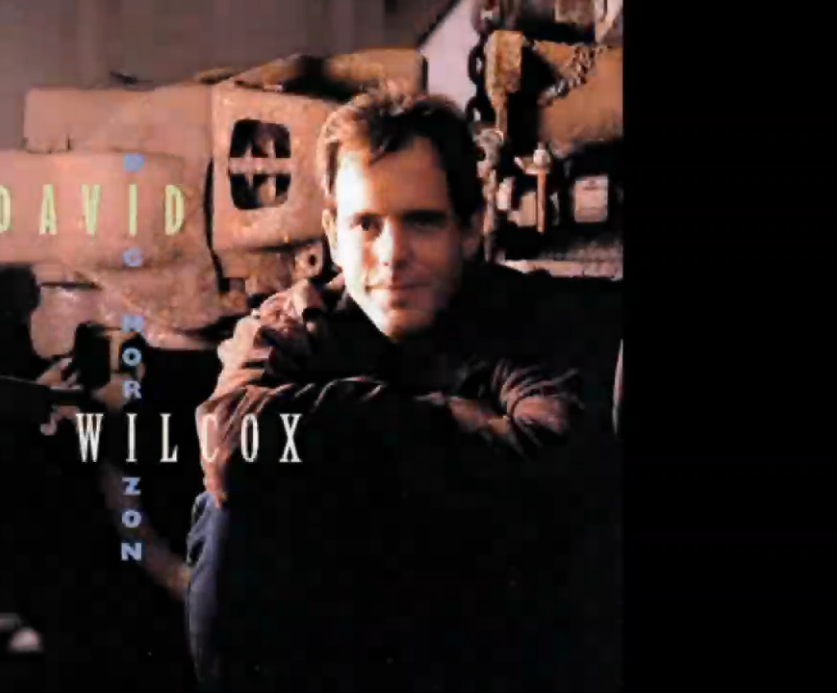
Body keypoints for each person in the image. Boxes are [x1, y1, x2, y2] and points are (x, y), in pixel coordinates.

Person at [184, 87, 613, 692]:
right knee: (228, 515)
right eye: (366, 224)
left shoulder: (524, 317)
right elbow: (229, 442)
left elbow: (553, 456)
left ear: (471, 228)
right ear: (333, 235)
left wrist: (335, 444)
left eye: (422, 221)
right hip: (340, 648)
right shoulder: (298, 323)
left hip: (481, 644)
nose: (392, 255)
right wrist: (439, 417)